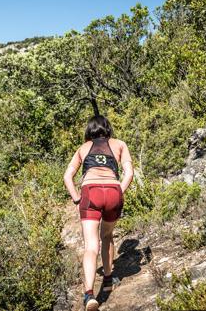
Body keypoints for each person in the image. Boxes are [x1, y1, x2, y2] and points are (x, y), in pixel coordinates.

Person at [63, 115, 134, 311]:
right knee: (107, 235)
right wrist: (119, 190)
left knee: (90, 246)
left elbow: (67, 176)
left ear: (89, 130)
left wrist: (76, 197)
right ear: (107, 128)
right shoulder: (120, 144)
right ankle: (109, 280)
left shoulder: (82, 148)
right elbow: (129, 172)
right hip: (113, 191)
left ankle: (89, 296)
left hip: (90, 192)